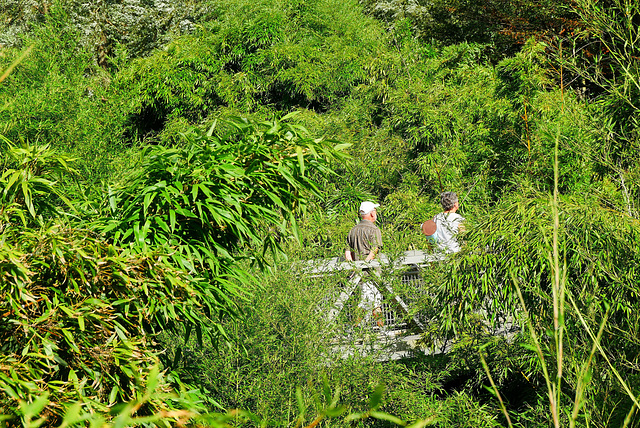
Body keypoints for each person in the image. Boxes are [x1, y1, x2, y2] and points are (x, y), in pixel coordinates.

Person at [345, 201, 384, 326]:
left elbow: (347, 253)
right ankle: (357, 330)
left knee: (371, 303)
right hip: (371, 274)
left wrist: (354, 269)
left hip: (358, 276)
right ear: (372, 213)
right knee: (370, 305)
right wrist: (365, 266)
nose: (376, 213)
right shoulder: (374, 229)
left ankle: (361, 330)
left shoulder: (352, 231)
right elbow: (375, 249)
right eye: (375, 211)